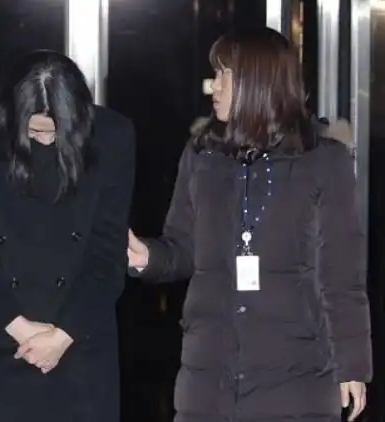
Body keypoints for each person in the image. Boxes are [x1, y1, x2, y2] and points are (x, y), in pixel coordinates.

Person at [127, 28, 372, 422]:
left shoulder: (324, 162)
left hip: (296, 380)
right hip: (207, 379)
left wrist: (352, 364)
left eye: (224, 74)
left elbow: (342, 275)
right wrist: (147, 257)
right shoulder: (201, 156)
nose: (214, 86)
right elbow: (183, 248)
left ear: (257, 81)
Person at [0, 50, 135, 422]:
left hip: (79, 343)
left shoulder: (112, 137)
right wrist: (18, 328)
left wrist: (63, 335)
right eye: (35, 130)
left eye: (55, 132)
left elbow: (108, 250)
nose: (45, 140)